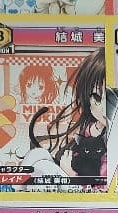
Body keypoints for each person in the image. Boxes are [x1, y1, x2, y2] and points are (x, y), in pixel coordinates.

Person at [25, 49, 107, 181]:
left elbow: (103, 184)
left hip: (84, 187)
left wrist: (71, 175)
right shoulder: (93, 128)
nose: (104, 107)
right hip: (72, 181)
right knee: (37, 156)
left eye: (111, 98)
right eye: (97, 97)